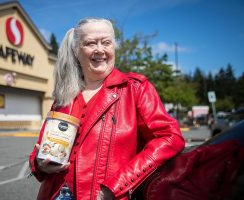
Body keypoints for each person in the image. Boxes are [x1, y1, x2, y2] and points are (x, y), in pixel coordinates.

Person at [29, 17, 185, 200]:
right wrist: (40, 164)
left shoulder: (135, 88)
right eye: (90, 43)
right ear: (76, 50)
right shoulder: (64, 96)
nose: (100, 49)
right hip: (54, 194)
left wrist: (118, 186)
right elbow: (41, 147)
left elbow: (170, 137)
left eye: (106, 42)